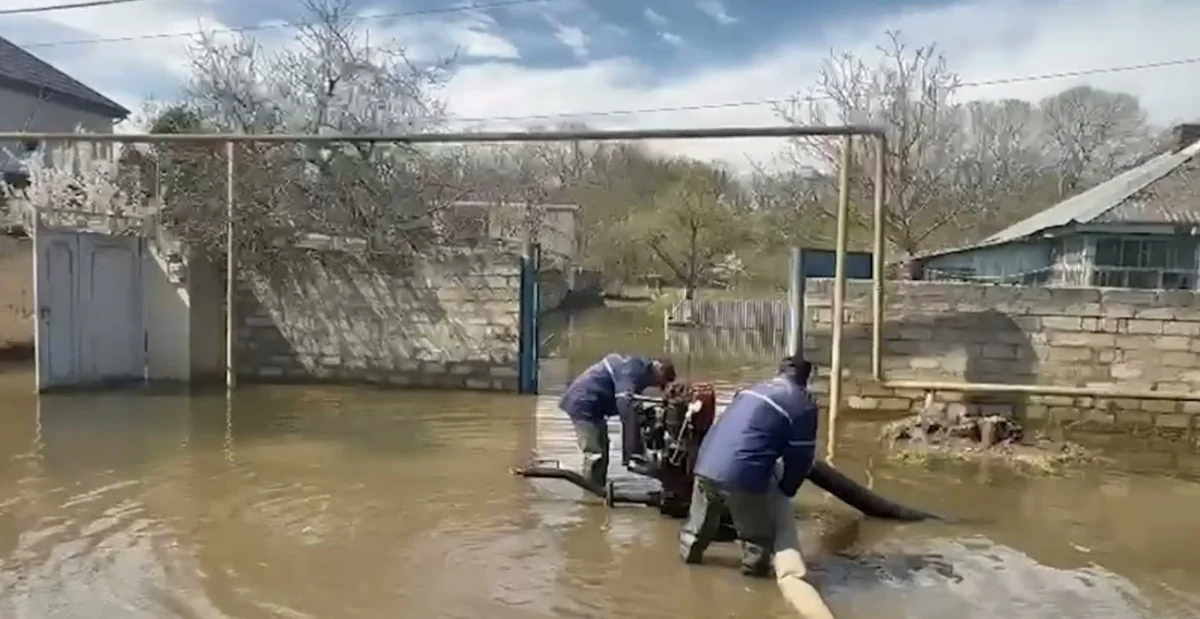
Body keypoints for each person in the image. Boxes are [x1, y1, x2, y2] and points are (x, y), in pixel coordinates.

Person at [679, 356, 818, 578]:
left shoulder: (749, 390)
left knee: (696, 532)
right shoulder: (802, 404)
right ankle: (754, 588)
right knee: (757, 541)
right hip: (743, 475)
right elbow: (801, 457)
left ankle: (686, 571)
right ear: (806, 379)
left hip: (706, 463)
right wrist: (786, 489)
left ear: (779, 372)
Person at [558, 354, 676, 489]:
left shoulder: (639, 371)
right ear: (658, 368)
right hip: (583, 403)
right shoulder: (634, 369)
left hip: (594, 406)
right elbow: (625, 404)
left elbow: (631, 402)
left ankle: (597, 487)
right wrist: (632, 453)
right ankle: (591, 495)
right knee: (595, 452)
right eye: (659, 382)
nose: (655, 386)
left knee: (603, 447)